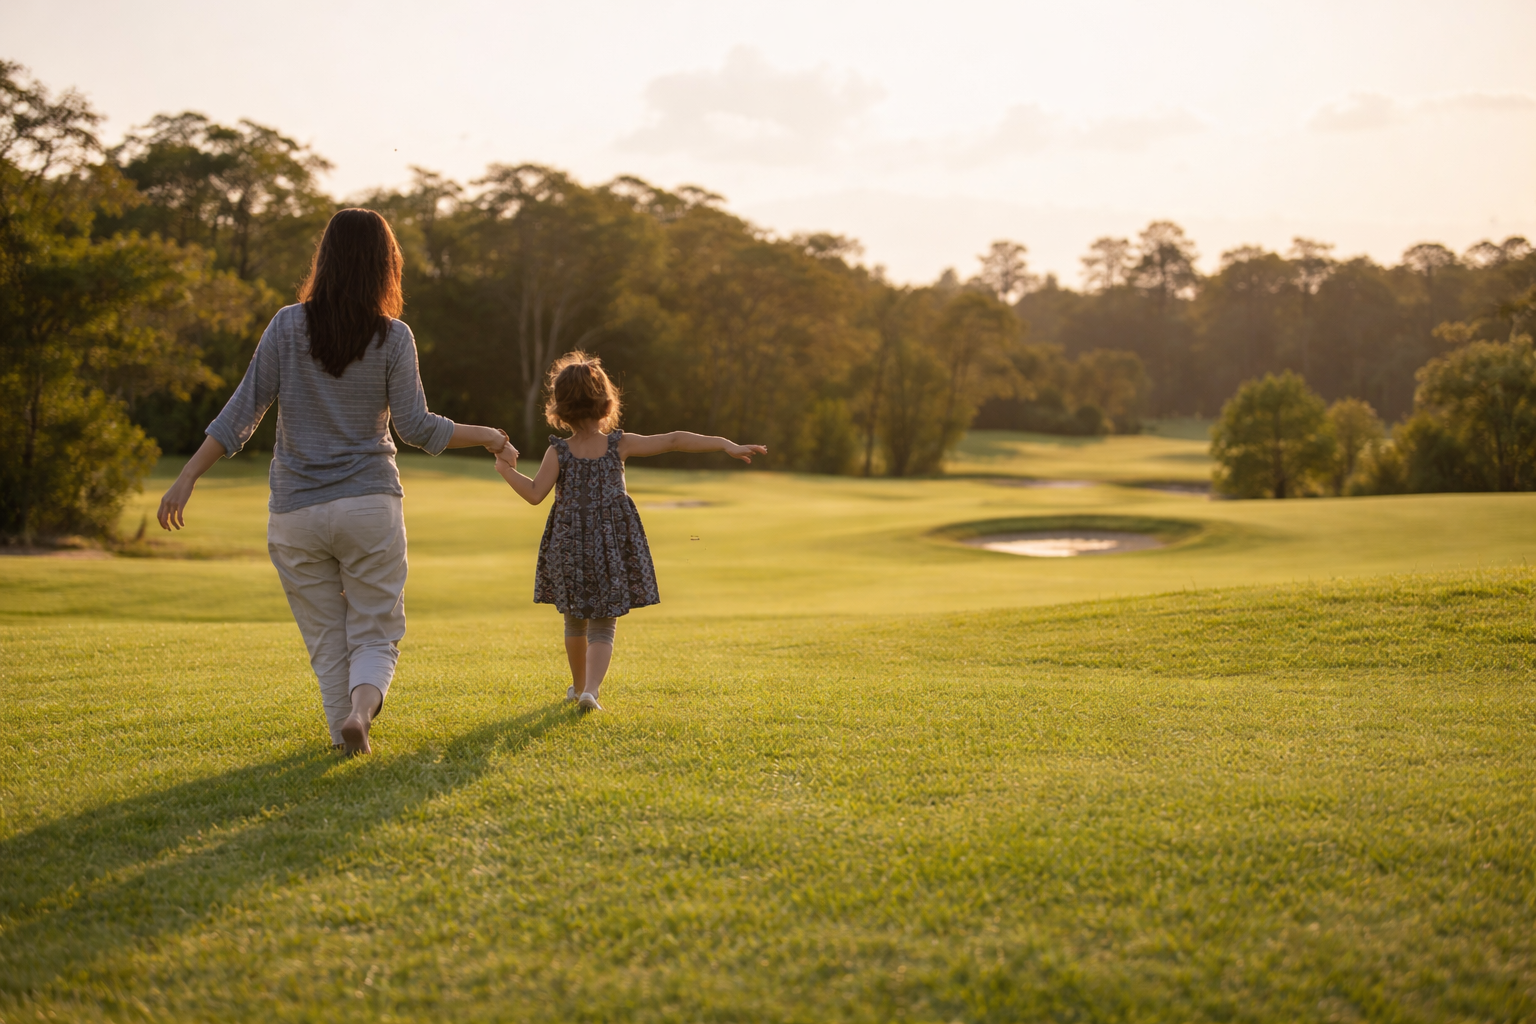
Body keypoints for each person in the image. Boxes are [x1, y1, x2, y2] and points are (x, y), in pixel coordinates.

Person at [155, 208, 513, 755]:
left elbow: (242, 411)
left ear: (325, 259)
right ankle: (360, 715)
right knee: (375, 631)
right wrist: (487, 434)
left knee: (327, 641)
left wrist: (186, 477)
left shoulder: (286, 324)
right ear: (385, 265)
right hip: (369, 504)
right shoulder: (394, 337)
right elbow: (416, 427)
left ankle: (343, 738)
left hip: (296, 511)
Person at [493, 352, 765, 711]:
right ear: (606, 405)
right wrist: (724, 444)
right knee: (603, 624)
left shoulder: (557, 451)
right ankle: (591, 690)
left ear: (559, 409)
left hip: (569, 544)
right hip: (610, 545)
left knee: (574, 618)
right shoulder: (618, 445)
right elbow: (674, 440)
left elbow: (533, 494)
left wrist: (504, 469)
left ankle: (577, 687)